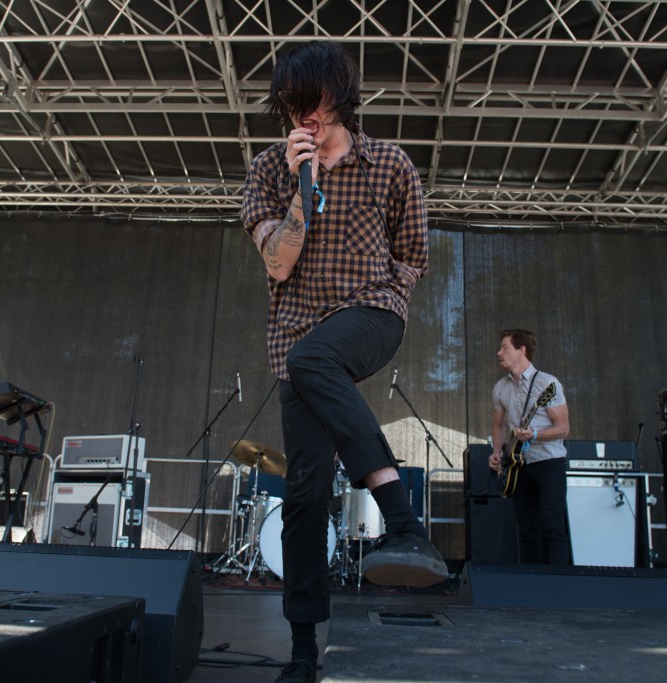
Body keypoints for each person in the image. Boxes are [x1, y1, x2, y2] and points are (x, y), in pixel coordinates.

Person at [241, 41, 445, 683]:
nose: (304, 117)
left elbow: (413, 250)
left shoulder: (390, 164)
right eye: (292, 107)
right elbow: (276, 263)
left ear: (338, 98)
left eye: (314, 103)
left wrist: (394, 296)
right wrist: (304, 193)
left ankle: (401, 519)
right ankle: (303, 651)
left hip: (370, 312)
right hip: (296, 341)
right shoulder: (271, 170)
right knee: (302, 496)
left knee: (317, 358)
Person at [488, 329, 570, 564]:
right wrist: (496, 452)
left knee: (552, 524)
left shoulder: (547, 383)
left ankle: (559, 586)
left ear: (521, 350)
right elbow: (498, 425)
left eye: (505, 348)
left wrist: (535, 435)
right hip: (518, 466)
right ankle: (531, 585)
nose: (499, 353)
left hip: (549, 462)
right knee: (526, 529)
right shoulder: (500, 388)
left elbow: (563, 428)